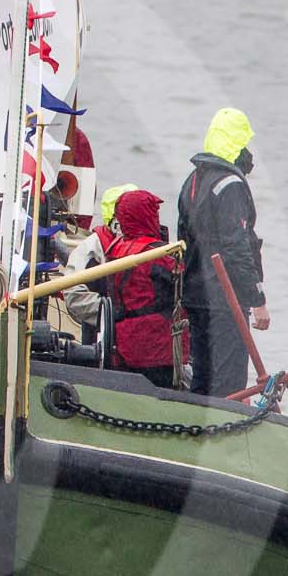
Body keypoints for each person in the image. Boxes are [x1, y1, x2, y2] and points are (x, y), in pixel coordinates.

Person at [176, 107, 269, 397]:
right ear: (236, 145)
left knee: (202, 376)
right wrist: (257, 299)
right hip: (224, 300)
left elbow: (183, 239)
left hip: (196, 295)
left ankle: (196, 431)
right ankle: (221, 433)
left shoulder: (192, 181)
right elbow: (237, 247)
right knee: (228, 381)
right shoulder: (230, 185)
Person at [102, 188, 189, 391]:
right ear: (146, 215)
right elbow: (185, 290)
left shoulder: (115, 250)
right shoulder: (160, 254)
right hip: (157, 347)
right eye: (154, 212)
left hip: (124, 342)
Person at [62, 182, 139, 338]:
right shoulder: (91, 250)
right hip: (100, 334)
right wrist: (112, 311)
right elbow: (74, 295)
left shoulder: (152, 247)